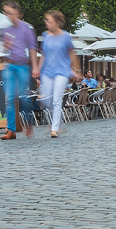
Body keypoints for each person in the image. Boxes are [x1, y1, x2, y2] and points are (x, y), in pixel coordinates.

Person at [0, 0, 38, 140]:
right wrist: (6, 46)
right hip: (9, 65)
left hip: (22, 66)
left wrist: (35, 67)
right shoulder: (6, 30)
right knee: (9, 98)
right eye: (6, 13)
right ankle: (11, 130)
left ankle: (28, 124)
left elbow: (33, 48)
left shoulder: (27, 29)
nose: (8, 15)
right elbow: (4, 48)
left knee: (23, 97)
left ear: (17, 12)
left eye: (10, 12)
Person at [37, 10, 80, 139]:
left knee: (56, 100)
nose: (46, 23)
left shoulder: (65, 36)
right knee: (45, 100)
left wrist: (76, 70)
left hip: (62, 71)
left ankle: (54, 128)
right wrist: (37, 69)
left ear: (56, 22)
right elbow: (44, 54)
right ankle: (59, 123)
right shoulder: (45, 35)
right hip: (47, 71)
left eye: (49, 21)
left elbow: (72, 53)